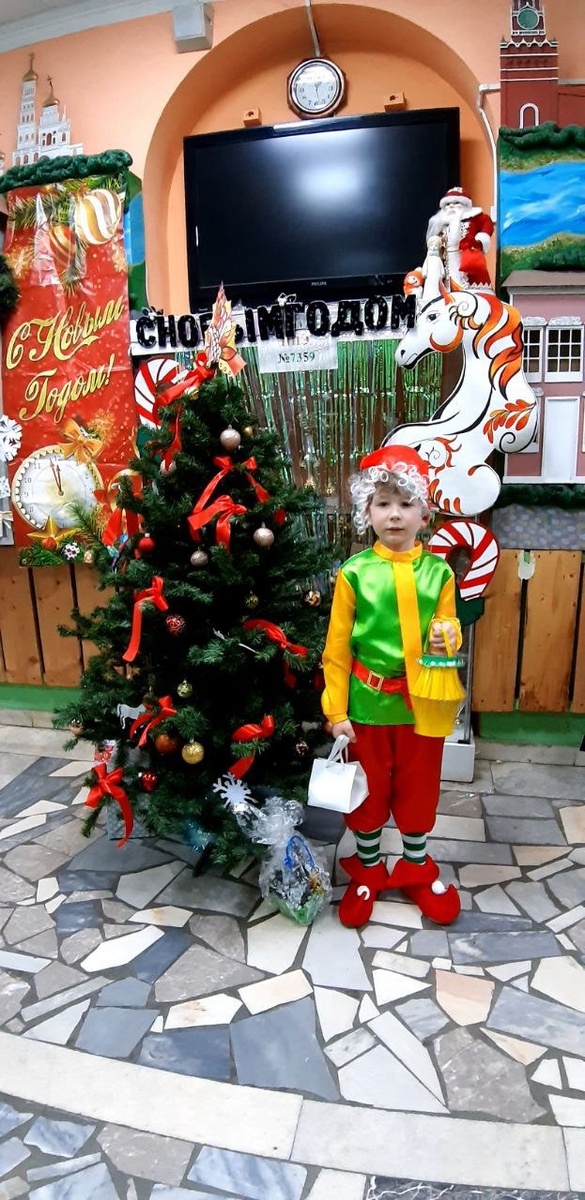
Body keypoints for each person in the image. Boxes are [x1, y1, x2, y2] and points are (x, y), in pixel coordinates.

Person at [321, 445, 463, 928]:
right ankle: (369, 868)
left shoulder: (439, 573)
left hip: (423, 705)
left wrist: (448, 635)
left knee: (419, 789)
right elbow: (337, 650)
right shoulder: (354, 573)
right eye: (383, 503)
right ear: (368, 511)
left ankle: (415, 865)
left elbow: (448, 627)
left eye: (406, 503)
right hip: (367, 707)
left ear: (425, 513)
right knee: (368, 790)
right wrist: (336, 711)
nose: (395, 514)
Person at [425, 186, 494, 289]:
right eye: (447, 204)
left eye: (456, 203)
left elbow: (486, 227)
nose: (451, 206)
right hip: (445, 259)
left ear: (465, 204)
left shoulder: (476, 217)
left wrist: (478, 242)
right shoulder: (439, 223)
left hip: (467, 257)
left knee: (470, 288)